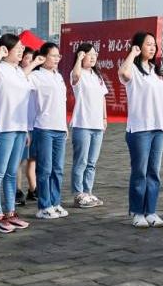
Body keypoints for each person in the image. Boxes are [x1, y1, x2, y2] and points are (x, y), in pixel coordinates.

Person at [0, 34, 43, 233]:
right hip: (4, 127)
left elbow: (23, 81)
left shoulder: (18, 71)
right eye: (17, 48)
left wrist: (34, 63)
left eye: (22, 48)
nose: (21, 51)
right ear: (6, 50)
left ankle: (10, 212)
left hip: (19, 128)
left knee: (11, 172)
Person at [118, 31, 163, 229]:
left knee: (153, 172)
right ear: (139, 46)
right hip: (140, 129)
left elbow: (160, 102)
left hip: (158, 128)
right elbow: (123, 74)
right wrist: (132, 53)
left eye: (154, 45)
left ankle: (151, 211)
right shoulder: (132, 69)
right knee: (139, 172)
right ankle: (137, 212)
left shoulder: (155, 72)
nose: (152, 47)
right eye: (148, 44)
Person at [30, 43, 69, 219]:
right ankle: (44, 205)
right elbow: (21, 80)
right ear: (43, 57)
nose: (56, 59)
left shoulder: (58, 76)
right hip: (43, 126)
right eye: (53, 55)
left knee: (57, 169)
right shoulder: (36, 76)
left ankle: (55, 202)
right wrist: (34, 63)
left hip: (59, 127)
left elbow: (62, 104)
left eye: (58, 56)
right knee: (45, 169)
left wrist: (65, 126)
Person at [70, 43, 108, 209]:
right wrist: (78, 59)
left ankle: (88, 191)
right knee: (81, 161)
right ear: (81, 55)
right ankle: (78, 194)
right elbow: (75, 75)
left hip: (97, 124)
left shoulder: (97, 76)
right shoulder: (78, 73)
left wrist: (104, 117)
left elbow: (103, 97)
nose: (93, 57)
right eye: (89, 54)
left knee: (92, 162)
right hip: (82, 124)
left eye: (95, 54)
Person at [16, 47, 38, 205]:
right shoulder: (18, 77)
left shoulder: (36, 77)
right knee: (19, 161)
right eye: (27, 59)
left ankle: (33, 188)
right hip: (22, 124)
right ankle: (17, 190)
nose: (30, 62)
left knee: (32, 159)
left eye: (32, 59)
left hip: (35, 124)